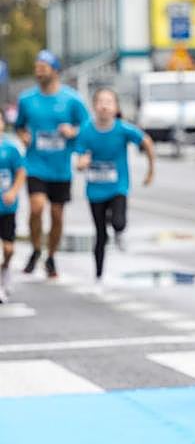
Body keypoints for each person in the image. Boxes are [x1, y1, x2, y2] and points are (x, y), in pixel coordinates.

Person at [13, 50, 89, 279]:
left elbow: (87, 129)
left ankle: (51, 257)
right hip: (36, 164)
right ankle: (36, 248)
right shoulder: (27, 99)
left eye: (43, 68)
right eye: (36, 68)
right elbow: (19, 126)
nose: (39, 72)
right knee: (36, 208)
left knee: (57, 215)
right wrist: (23, 135)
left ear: (55, 71)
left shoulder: (72, 99)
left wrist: (73, 131)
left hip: (60, 168)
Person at [74, 88, 156, 282]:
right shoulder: (86, 130)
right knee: (100, 234)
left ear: (116, 107)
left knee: (119, 221)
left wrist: (150, 171)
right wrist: (82, 163)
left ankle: (119, 231)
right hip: (95, 189)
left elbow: (147, 142)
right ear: (94, 106)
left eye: (109, 102)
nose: (104, 106)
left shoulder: (122, 129)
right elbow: (79, 159)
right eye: (100, 102)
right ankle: (98, 274)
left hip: (117, 185)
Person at [0, 126, 27, 302]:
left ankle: (6, 269)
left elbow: (21, 172)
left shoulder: (10, 149)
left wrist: (13, 192)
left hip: (7, 208)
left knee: (8, 249)